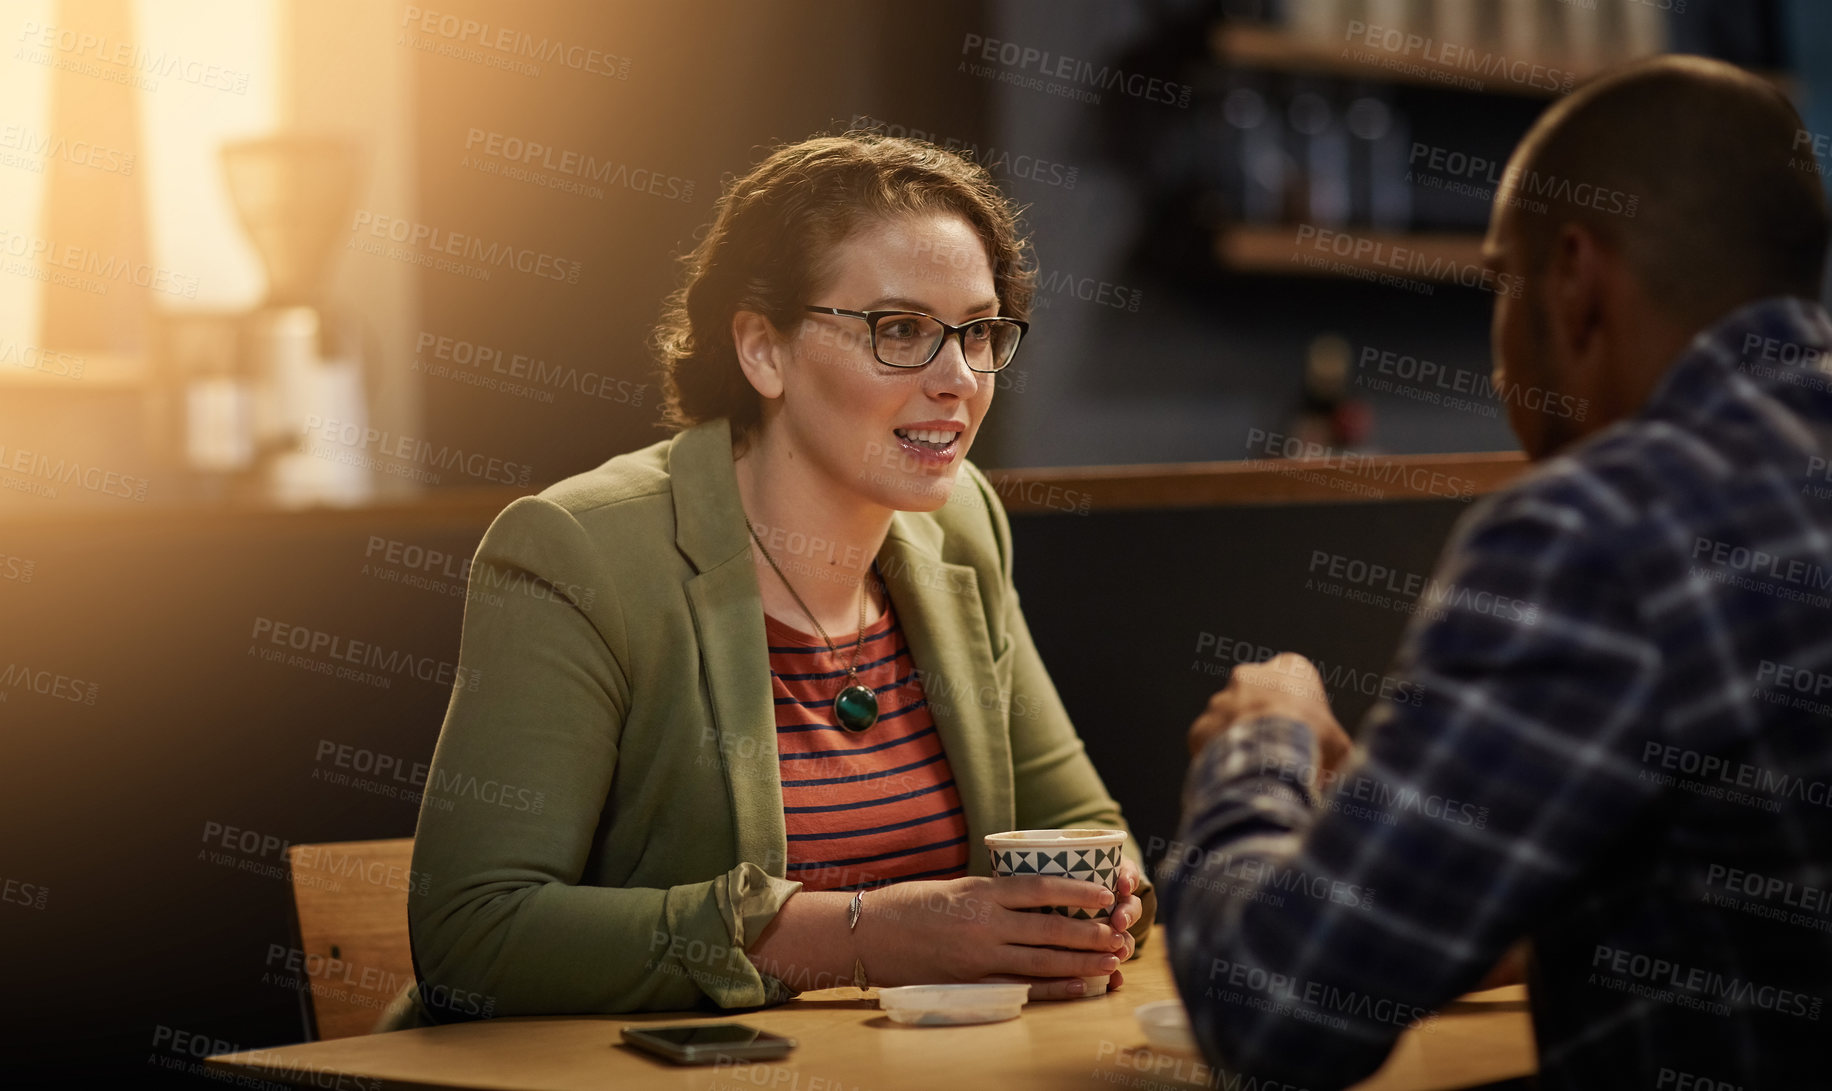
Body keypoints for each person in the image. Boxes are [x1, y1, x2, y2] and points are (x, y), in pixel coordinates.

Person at [377, 132, 1154, 1030]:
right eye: (900, 330)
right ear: (762, 350)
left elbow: (1091, 832)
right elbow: (472, 935)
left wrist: (1088, 916)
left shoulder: (960, 523)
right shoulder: (579, 550)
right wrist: (865, 936)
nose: (960, 380)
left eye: (978, 332)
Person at [1162, 55, 1832, 1090]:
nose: (1492, 346)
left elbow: (1278, 1013)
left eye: (1496, 281)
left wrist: (1263, 747)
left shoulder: (1599, 527)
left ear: (1572, 280)